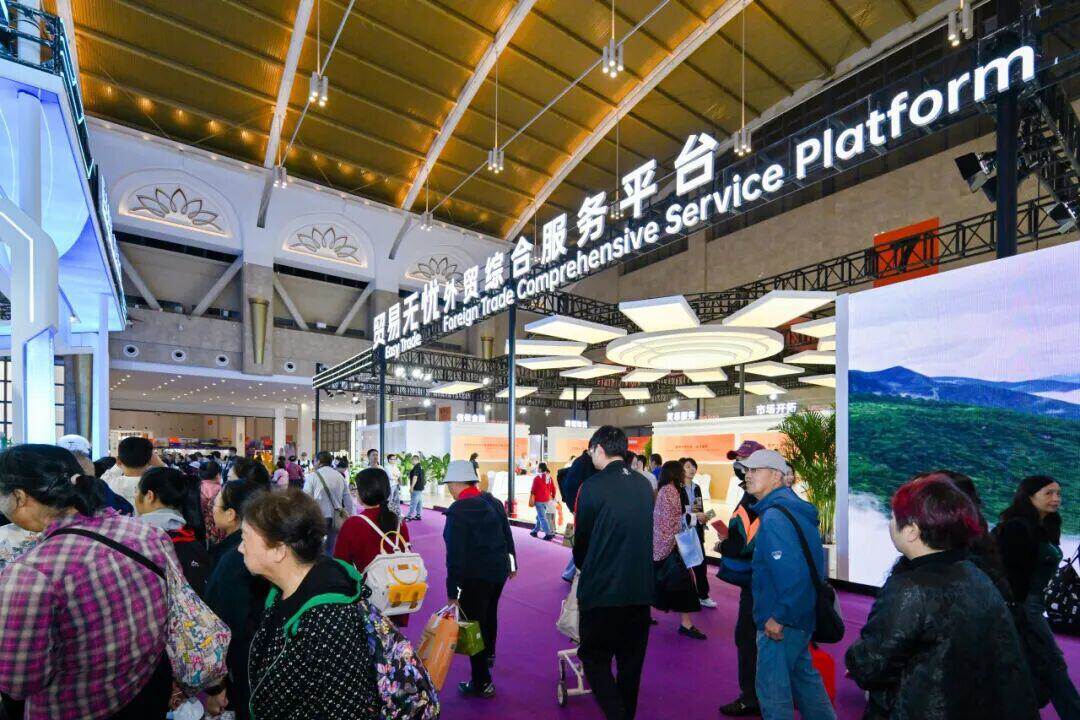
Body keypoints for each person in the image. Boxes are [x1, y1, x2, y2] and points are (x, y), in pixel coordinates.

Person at [0, 444, 177, 719]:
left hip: (75, 708)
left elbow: (18, 682)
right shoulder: (147, 533)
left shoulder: (31, 574)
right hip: (146, 689)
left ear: (19, 497)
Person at [846, 477, 1039, 719]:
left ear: (912, 531)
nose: (890, 523)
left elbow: (870, 666)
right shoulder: (974, 573)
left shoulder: (910, 588)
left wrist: (855, 653)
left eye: (893, 517)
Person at [242, 490, 381, 719]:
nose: (240, 548)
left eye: (245, 538)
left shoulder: (329, 617)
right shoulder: (280, 589)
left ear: (278, 551)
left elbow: (347, 709)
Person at [743, 449, 835, 720]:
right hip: (800, 616)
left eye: (755, 470)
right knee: (805, 683)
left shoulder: (774, 517)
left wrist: (778, 617)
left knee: (773, 693)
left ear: (776, 476)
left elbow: (793, 575)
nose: (747, 475)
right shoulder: (792, 508)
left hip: (782, 620)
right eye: (747, 470)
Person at [574, 426, 655, 720]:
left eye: (590, 452)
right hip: (640, 590)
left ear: (599, 449)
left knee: (594, 659)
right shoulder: (644, 484)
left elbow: (582, 540)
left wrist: (585, 565)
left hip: (603, 590)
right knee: (630, 666)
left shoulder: (591, 486)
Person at [994, 475, 1080, 718]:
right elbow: (1006, 573)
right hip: (1022, 606)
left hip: (1032, 605)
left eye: (1058, 493)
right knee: (1051, 662)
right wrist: (1016, 612)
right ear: (1029, 496)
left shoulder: (1046, 525)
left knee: (1037, 664)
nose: (1056, 498)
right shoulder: (1016, 528)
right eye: (1049, 493)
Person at [442, 459, 516, 699]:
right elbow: (507, 534)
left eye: (449, 485)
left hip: (475, 577)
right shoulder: (492, 501)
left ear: (456, 483)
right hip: (498, 572)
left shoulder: (458, 511)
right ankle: (490, 654)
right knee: (490, 614)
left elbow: (455, 556)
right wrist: (512, 564)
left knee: (475, 625)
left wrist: (452, 591)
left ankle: (482, 681)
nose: (449, 490)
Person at [203, 480, 271, 720]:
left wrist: (217, 684)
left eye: (216, 505)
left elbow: (224, 623)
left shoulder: (234, 559)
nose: (212, 509)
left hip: (244, 664)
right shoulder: (267, 545)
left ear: (231, 514)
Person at [718, 439, 766, 717]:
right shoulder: (756, 497)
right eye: (739, 462)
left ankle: (752, 698)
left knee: (748, 639)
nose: (740, 468)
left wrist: (726, 545)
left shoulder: (757, 500)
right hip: (756, 579)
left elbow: (745, 544)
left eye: (746, 462)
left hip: (757, 580)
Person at [334, 467, 411, 626]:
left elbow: (341, 566)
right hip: (398, 595)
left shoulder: (353, 524)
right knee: (393, 638)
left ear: (363, 493)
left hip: (371, 599)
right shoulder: (399, 521)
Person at [134, 465, 212, 597]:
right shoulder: (191, 532)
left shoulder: (138, 536)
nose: (135, 496)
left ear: (149, 496)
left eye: (136, 491)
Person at [653, 460, 705, 639]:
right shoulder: (672, 491)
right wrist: (693, 518)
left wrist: (696, 517)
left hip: (677, 540)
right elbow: (674, 520)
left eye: (692, 467)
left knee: (681, 580)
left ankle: (686, 621)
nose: (689, 471)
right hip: (674, 543)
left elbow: (688, 511)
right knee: (683, 583)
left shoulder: (693, 488)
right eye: (686, 468)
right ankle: (686, 623)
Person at [303, 451, 355, 555]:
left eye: (314, 461)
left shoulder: (313, 476)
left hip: (319, 516)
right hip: (337, 517)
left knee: (317, 548)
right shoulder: (339, 476)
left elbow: (305, 498)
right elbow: (348, 499)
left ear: (318, 461)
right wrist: (349, 515)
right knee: (332, 547)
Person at [682, 457, 716, 609]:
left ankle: (703, 595)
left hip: (695, 530)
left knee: (701, 565)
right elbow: (680, 512)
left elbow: (697, 509)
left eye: (693, 466)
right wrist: (696, 516)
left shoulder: (696, 487)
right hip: (682, 532)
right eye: (688, 466)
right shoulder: (677, 488)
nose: (692, 469)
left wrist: (703, 517)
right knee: (684, 568)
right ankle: (685, 597)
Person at [560, 449, 595, 582]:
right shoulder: (583, 463)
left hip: (582, 509)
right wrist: (575, 509)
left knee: (584, 542)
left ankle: (572, 573)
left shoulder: (584, 462)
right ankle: (571, 574)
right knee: (584, 543)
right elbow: (570, 487)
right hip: (582, 510)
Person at [108, 436, 156, 506]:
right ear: (150, 460)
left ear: (118, 461)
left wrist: (118, 462)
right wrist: (162, 464)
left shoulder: (109, 484)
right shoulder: (158, 485)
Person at [199, 459, 227, 545]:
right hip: (214, 528)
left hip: (199, 525)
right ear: (218, 475)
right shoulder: (221, 490)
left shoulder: (197, 487)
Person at [530, 462, 557, 541]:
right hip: (547, 500)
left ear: (540, 469)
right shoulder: (549, 477)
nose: (537, 469)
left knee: (542, 517)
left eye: (538, 467)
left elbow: (533, 489)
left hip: (539, 500)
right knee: (540, 516)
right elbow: (553, 488)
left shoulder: (537, 478)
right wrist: (553, 496)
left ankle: (548, 534)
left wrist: (532, 495)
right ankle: (535, 531)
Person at [406, 454, 426, 521]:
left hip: (416, 487)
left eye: (412, 460)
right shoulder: (420, 467)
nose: (411, 461)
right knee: (419, 502)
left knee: (413, 502)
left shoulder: (416, 467)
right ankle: (418, 515)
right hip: (420, 487)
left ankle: (409, 516)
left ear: (415, 460)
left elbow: (415, 477)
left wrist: (412, 487)